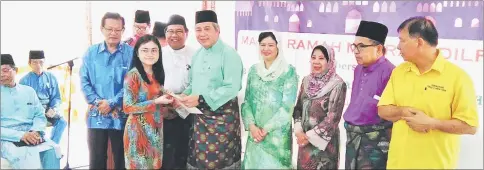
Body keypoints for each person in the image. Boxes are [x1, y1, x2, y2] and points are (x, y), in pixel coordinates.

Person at [378, 16, 479, 169]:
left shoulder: (458, 77)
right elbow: (383, 110)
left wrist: (432, 123)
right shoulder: (399, 72)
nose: (398, 46)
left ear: (419, 42)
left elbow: (470, 126)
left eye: (402, 40)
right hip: (398, 164)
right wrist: (403, 111)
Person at [180, 10, 243, 169]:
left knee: (218, 163)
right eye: (198, 29)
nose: (202, 34)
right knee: (198, 162)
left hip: (222, 123)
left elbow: (232, 87)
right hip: (199, 121)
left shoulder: (229, 54)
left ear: (217, 30)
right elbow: (193, 84)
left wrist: (200, 99)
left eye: (207, 29)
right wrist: (183, 95)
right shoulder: (197, 55)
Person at [80, 12, 133, 169]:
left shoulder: (131, 53)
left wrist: (112, 102)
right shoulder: (91, 53)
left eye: (118, 29)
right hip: (97, 114)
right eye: (109, 29)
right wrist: (97, 102)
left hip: (122, 115)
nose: (113, 33)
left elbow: (132, 84)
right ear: (102, 29)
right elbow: (84, 81)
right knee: (96, 160)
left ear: (123, 30)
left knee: (122, 160)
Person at [241, 31, 298, 169]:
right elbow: (246, 102)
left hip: (276, 139)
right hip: (255, 136)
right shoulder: (254, 71)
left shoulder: (288, 72)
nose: (266, 49)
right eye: (263, 45)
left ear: (278, 46)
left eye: (270, 45)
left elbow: (287, 108)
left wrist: (265, 130)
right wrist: (252, 127)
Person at [343, 20, 395, 169]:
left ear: (379, 49)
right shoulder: (358, 69)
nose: (356, 51)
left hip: (375, 142)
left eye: (361, 46)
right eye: (354, 46)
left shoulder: (391, 72)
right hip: (353, 137)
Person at [1, 54, 61, 169]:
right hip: (7, 138)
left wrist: (36, 131)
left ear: (16, 70)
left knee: (52, 150)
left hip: (31, 133)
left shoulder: (28, 91)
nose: (1, 75)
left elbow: (39, 115)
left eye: (5, 70)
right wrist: (21, 135)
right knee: (25, 156)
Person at [123, 34, 174, 169]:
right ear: (137, 53)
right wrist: (156, 101)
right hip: (138, 132)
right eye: (145, 50)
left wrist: (170, 98)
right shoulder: (133, 75)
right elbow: (127, 107)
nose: (150, 54)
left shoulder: (157, 74)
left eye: (154, 50)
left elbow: (158, 95)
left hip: (156, 130)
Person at [293, 45, 347, 169]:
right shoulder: (306, 81)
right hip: (304, 142)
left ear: (330, 61)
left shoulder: (337, 84)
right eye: (313, 57)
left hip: (324, 145)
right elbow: (298, 108)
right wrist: (299, 131)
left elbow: (333, 118)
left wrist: (309, 137)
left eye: (321, 58)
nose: (316, 62)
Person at [161, 14, 196, 170]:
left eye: (179, 31)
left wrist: (182, 102)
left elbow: (198, 83)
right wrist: (164, 106)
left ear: (186, 33)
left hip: (188, 112)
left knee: (184, 153)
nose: (174, 35)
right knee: (165, 155)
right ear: (165, 33)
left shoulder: (196, 55)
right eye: (170, 31)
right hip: (163, 111)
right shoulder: (158, 53)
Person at [19, 50, 68, 144]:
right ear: (29, 63)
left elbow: (56, 97)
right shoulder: (24, 81)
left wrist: (54, 108)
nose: (38, 65)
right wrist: (39, 111)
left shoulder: (51, 77)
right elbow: (23, 103)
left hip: (48, 111)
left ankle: (53, 146)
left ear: (44, 62)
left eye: (41, 62)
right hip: (33, 113)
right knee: (38, 128)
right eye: (35, 62)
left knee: (62, 122)